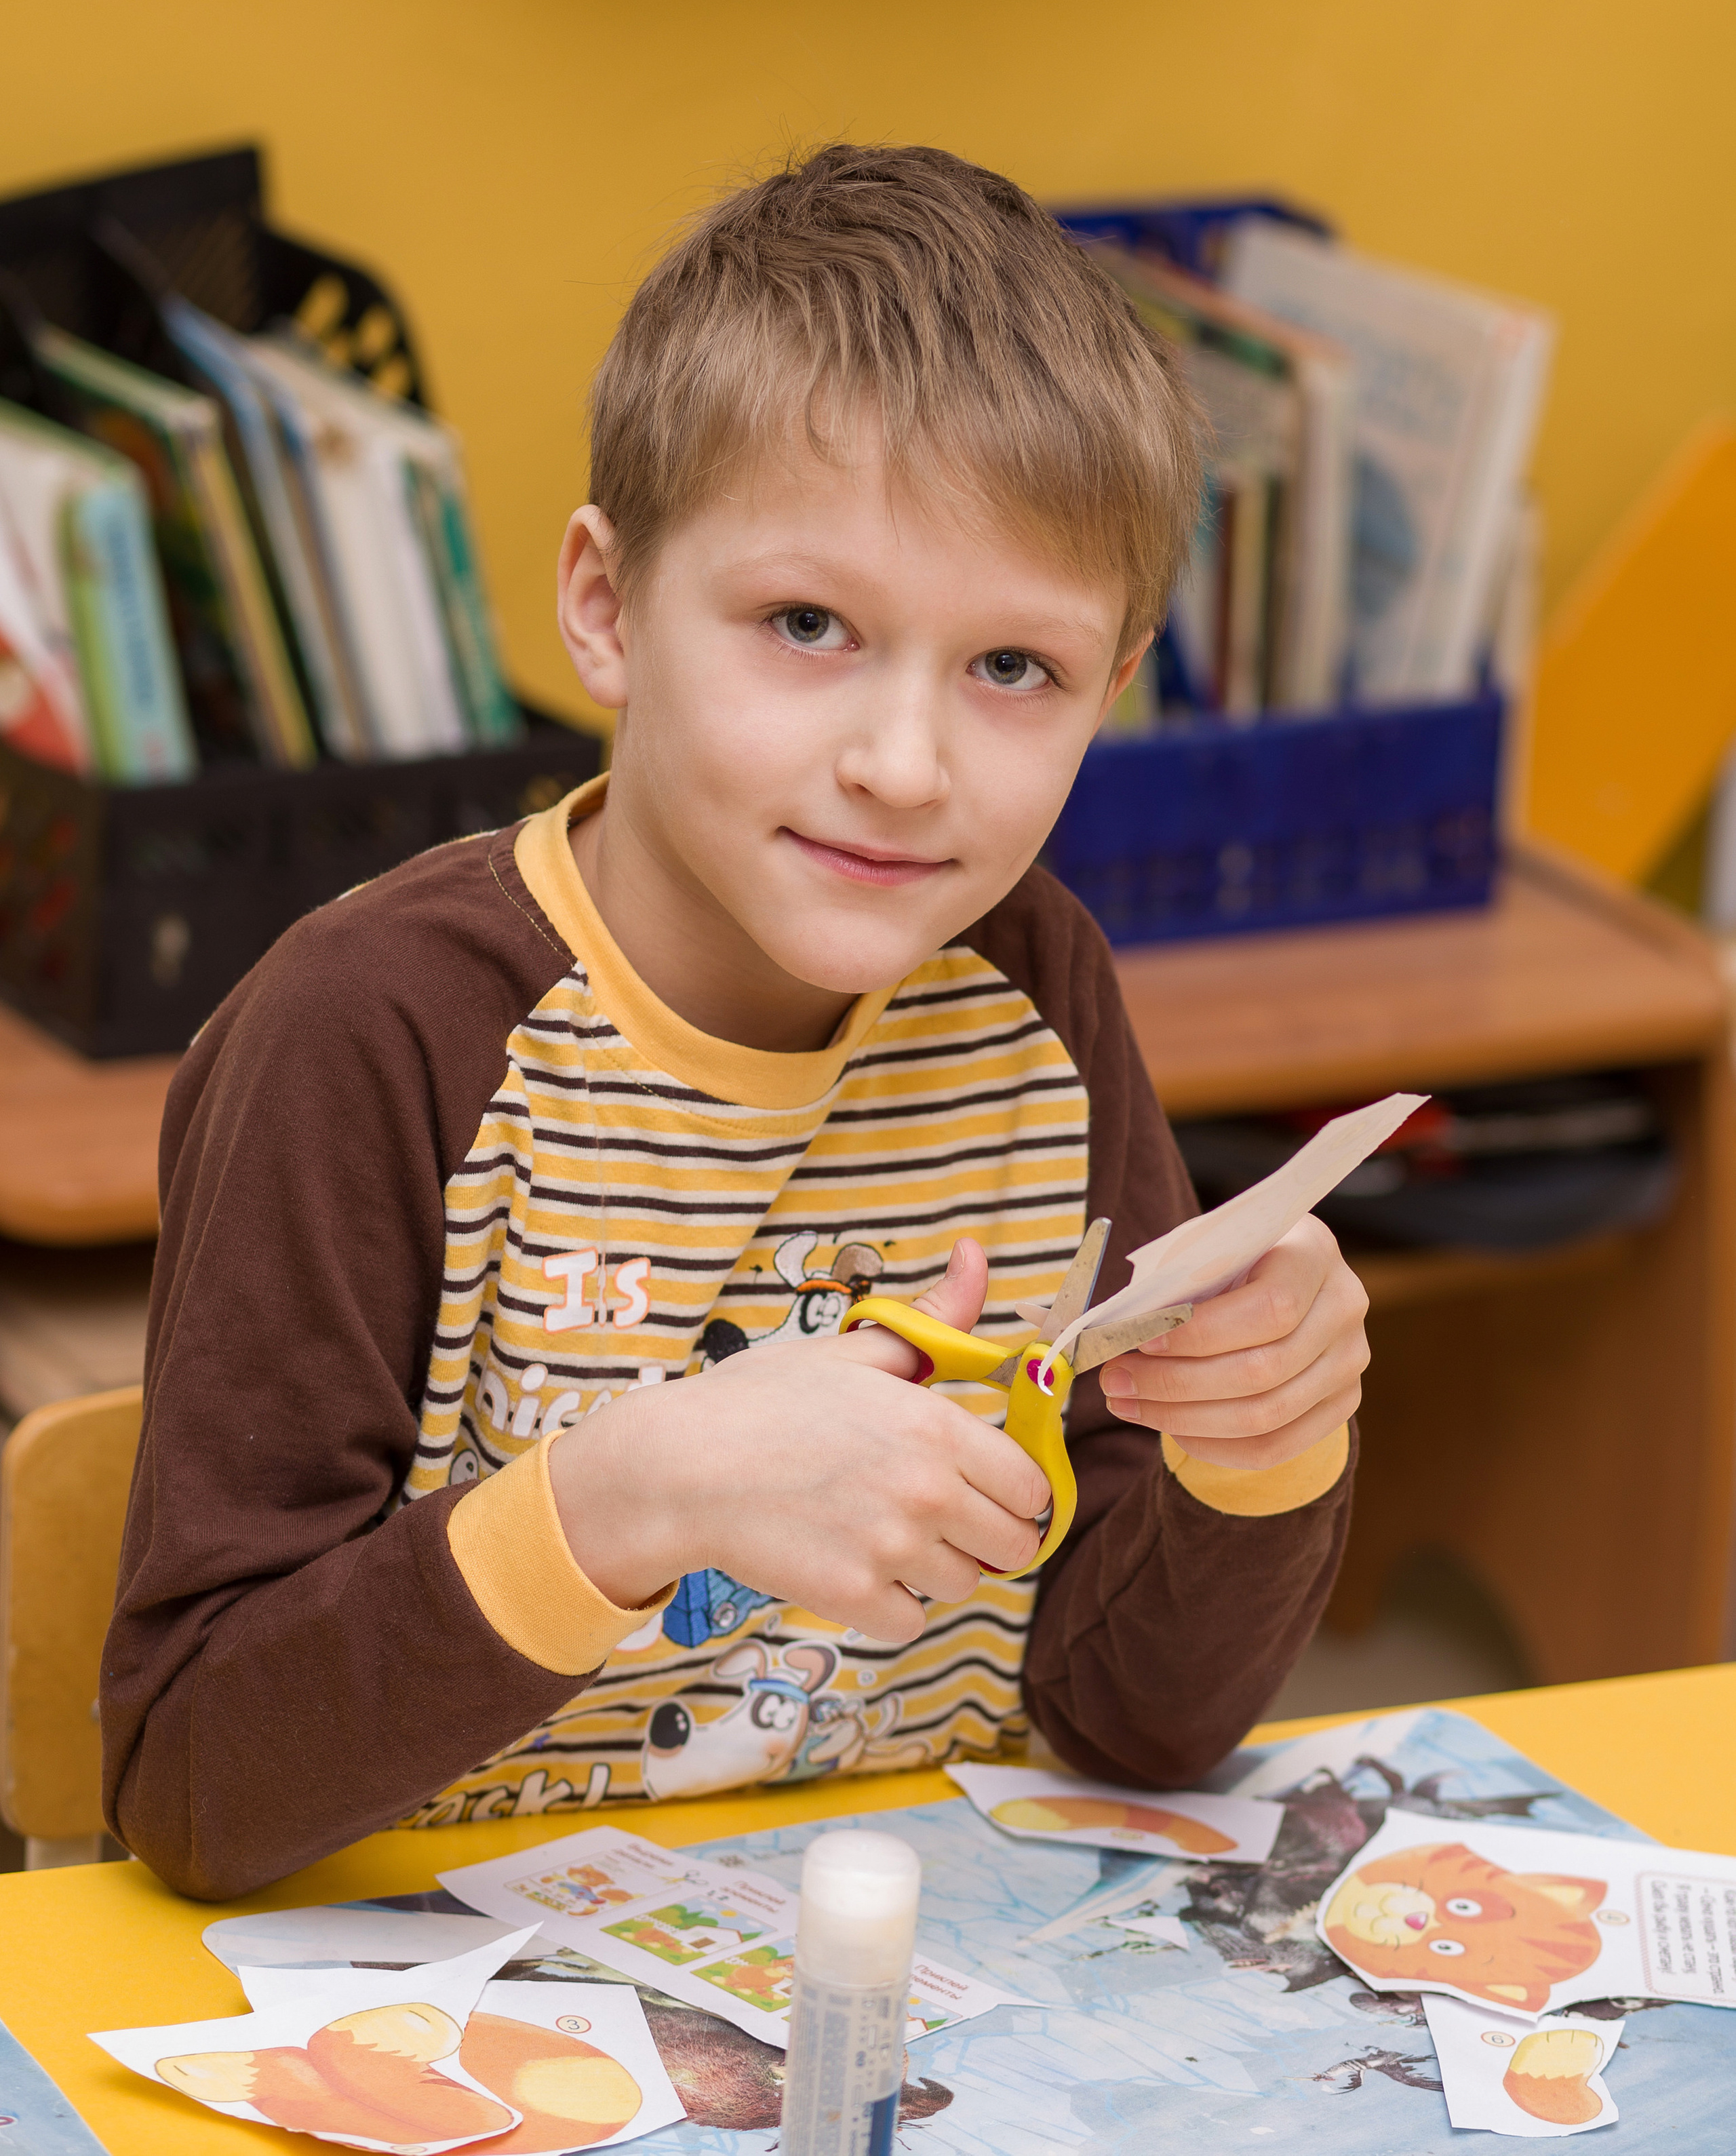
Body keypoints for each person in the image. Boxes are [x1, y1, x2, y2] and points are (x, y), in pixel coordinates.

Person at [100, 145, 1369, 1900]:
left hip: (889, 1979)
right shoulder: (370, 1034)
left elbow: (1133, 1725)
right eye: (807, 625)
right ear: (608, 608)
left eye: (1015, 670)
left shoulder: (1034, 989)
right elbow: (191, 1784)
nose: (906, 766)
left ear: (1110, 683)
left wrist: (1262, 1447)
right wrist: (626, 1502)